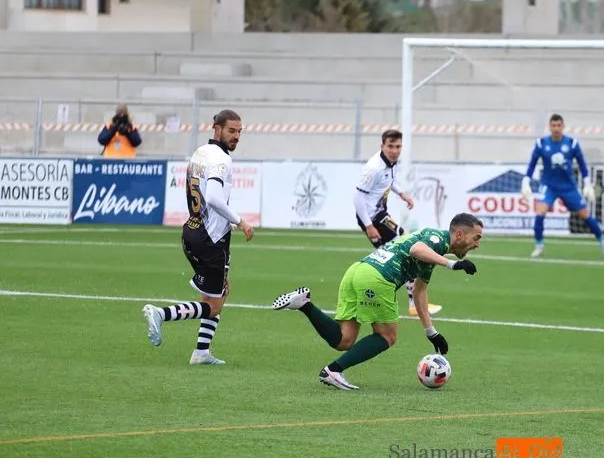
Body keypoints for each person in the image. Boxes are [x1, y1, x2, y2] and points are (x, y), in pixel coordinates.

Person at [271, 213, 483, 390]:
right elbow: (415, 249)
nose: (477, 245)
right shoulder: (437, 238)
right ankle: (333, 371)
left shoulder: (434, 248)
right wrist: (453, 265)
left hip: (358, 271)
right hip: (379, 278)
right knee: (387, 336)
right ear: (459, 234)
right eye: (476, 238)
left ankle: (305, 304)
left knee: (344, 340)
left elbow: (419, 292)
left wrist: (431, 332)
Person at [142, 109, 255, 365]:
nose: (236, 136)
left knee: (220, 291)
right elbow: (214, 198)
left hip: (194, 229)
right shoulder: (222, 161)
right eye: (231, 131)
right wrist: (240, 221)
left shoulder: (201, 153)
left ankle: (202, 352)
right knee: (214, 304)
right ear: (216, 129)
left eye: (239, 132)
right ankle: (161, 313)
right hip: (210, 239)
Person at [353, 129, 441, 316]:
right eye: (390, 146)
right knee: (404, 252)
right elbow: (358, 198)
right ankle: (410, 303)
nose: (394, 150)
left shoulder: (389, 163)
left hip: (381, 215)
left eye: (398, 146)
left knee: (398, 249)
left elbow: (388, 181)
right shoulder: (374, 168)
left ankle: (400, 300)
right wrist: (369, 226)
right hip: (372, 219)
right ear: (382, 146)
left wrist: (402, 193)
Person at [520, 113, 604, 259]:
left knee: (585, 215)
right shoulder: (541, 143)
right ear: (549, 127)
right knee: (539, 212)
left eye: (558, 126)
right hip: (549, 186)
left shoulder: (572, 143)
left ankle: (603, 243)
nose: (556, 128)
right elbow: (532, 164)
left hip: (568, 187)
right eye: (553, 126)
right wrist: (525, 182)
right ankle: (539, 246)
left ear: (563, 126)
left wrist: (587, 183)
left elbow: (582, 164)